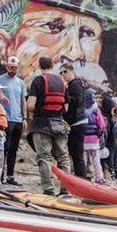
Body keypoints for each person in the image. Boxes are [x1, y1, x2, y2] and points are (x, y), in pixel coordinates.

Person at [25, 56, 72, 195]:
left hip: (42, 124)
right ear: (53, 65)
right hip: (59, 124)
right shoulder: (62, 82)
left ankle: (48, 189)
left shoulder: (38, 81)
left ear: (40, 66)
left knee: (44, 158)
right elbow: (67, 107)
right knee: (63, 157)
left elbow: (31, 105)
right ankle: (65, 189)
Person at [0, 56, 26, 185]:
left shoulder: (21, 82)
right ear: (6, 66)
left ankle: (10, 175)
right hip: (5, 118)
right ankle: (0, 175)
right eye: (10, 67)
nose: (13, 69)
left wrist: (24, 117)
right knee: (4, 148)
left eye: (15, 68)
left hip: (18, 119)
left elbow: (22, 100)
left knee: (13, 149)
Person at [61, 64, 89, 178]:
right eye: (61, 72)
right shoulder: (74, 84)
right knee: (75, 154)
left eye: (65, 71)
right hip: (76, 122)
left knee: (77, 155)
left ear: (72, 71)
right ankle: (80, 178)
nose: (63, 74)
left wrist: (65, 96)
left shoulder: (75, 85)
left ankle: (81, 179)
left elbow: (75, 102)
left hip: (77, 123)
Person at [82, 91, 107, 184]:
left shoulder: (80, 109)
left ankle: (82, 177)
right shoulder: (95, 109)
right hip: (93, 139)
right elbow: (101, 124)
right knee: (96, 159)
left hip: (83, 138)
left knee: (83, 159)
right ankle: (99, 177)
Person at [100, 91, 117, 180]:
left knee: (116, 154)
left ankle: (113, 172)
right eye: (113, 107)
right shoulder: (105, 119)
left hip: (111, 143)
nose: (115, 109)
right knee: (107, 159)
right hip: (107, 144)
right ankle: (109, 173)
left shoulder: (109, 117)